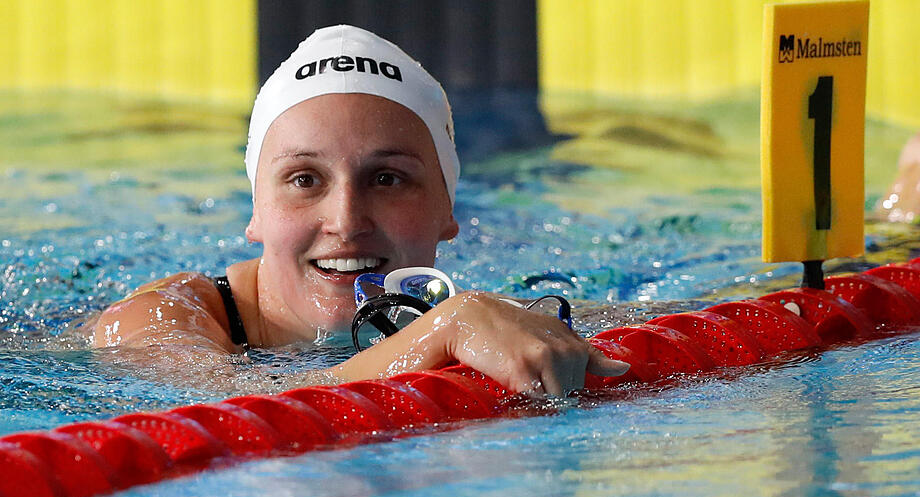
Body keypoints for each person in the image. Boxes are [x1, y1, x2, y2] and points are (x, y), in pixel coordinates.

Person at [92, 25, 629, 396]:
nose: (346, 222)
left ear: (448, 207)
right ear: (255, 212)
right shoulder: (155, 320)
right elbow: (232, 401)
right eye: (304, 180)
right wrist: (447, 328)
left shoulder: (463, 314)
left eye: (388, 178)